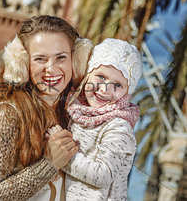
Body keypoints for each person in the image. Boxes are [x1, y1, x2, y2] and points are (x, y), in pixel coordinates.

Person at [0, 15, 93, 201]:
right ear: (22, 64)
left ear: (76, 60)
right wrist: (49, 163)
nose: (51, 68)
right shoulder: (8, 113)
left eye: (61, 57)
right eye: (40, 59)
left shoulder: (73, 116)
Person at [47, 38, 142, 200]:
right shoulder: (76, 111)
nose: (105, 89)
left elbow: (103, 175)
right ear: (88, 75)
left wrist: (62, 156)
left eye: (118, 85)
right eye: (101, 77)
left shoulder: (119, 126)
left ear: (127, 93)